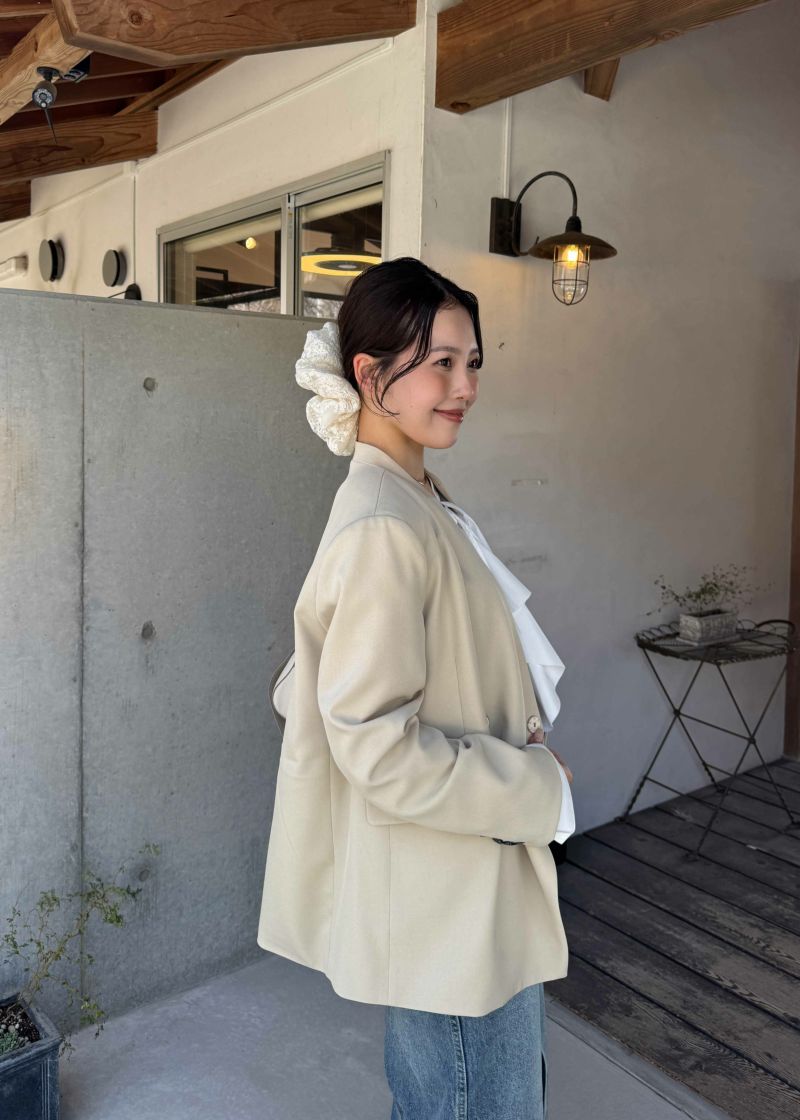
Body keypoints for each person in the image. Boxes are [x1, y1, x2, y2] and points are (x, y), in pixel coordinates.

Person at [257, 256, 575, 1119]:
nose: (465, 386)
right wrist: (534, 789)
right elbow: (375, 745)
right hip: (447, 893)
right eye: (441, 363)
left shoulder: (414, 496)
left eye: (472, 362)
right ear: (370, 376)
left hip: (456, 874)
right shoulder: (384, 524)